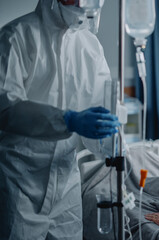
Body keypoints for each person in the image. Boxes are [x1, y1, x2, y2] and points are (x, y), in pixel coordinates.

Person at [0, 0, 119, 239]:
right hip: (20, 181)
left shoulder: (91, 47)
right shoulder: (16, 36)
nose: (80, 3)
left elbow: (100, 110)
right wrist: (68, 120)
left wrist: (107, 138)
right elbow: (6, 108)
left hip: (67, 184)